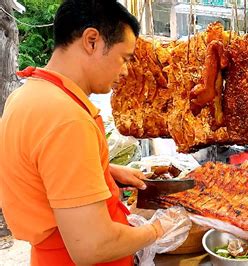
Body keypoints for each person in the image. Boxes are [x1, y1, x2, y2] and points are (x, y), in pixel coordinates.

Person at [0, 1, 183, 265]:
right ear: (92, 41)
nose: (126, 70)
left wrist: (103, 171)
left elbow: (41, 172)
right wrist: (159, 229)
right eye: (124, 58)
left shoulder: (28, 96)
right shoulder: (67, 119)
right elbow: (93, 246)